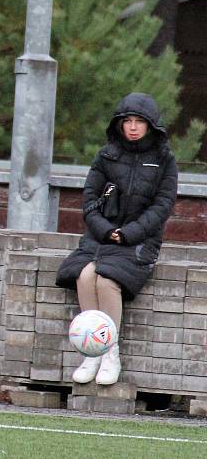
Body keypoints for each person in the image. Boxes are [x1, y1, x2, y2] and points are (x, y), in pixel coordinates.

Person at [56, 93, 178, 385]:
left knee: (106, 279)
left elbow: (163, 205)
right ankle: (92, 351)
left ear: (151, 126)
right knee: (85, 276)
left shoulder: (164, 160)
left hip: (139, 242)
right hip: (100, 238)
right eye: (128, 121)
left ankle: (110, 351)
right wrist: (104, 229)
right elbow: (88, 198)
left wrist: (129, 233)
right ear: (120, 125)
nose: (133, 127)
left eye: (139, 122)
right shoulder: (106, 155)